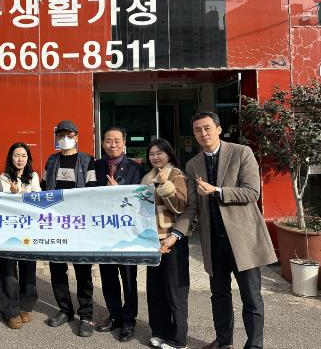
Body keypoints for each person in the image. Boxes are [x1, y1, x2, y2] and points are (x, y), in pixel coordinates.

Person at [174, 111, 276, 349]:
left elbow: (252, 192)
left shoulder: (242, 152)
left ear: (219, 129)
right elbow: (192, 206)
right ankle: (223, 342)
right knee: (219, 296)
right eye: (198, 130)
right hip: (214, 241)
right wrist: (176, 234)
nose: (203, 133)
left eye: (207, 128)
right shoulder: (193, 164)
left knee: (251, 297)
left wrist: (217, 191)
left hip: (243, 240)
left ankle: (254, 346)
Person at [43, 120, 97, 338]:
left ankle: (86, 315)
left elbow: (93, 190)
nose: (64, 138)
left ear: (76, 137)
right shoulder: (51, 160)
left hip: (79, 224)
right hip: (55, 224)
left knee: (83, 270)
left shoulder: (87, 160)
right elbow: (43, 188)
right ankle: (65, 309)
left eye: (69, 134)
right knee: (57, 269)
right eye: (61, 135)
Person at [94, 127, 143, 342]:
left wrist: (118, 190)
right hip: (103, 232)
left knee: (128, 277)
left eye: (116, 140)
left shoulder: (136, 167)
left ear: (124, 143)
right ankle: (114, 315)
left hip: (127, 232)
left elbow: (141, 198)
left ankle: (129, 320)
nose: (112, 144)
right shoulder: (95, 166)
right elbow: (87, 194)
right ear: (102, 144)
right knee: (108, 276)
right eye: (108, 140)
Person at [142, 138, 189, 349]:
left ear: (169, 154)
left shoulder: (176, 175)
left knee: (175, 291)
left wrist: (164, 185)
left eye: (159, 153)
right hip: (152, 241)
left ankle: (178, 340)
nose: (155, 157)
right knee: (155, 290)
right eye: (151, 154)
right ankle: (159, 332)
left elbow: (181, 206)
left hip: (172, 241)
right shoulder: (146, 178)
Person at [0, 142, 41, 330]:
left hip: (29, 229)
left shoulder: (34, 176)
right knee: (8, 269)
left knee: (28, 268)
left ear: (28, 158)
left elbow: (38, 196)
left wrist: (21, 193)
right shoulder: (4, 177)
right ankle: (10, 311)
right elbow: (5, 200)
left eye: (24, 156)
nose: (20, 159)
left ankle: (26, 306)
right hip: (9, 229)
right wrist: (15, 194)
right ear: (11, 157)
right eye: (16, 155)